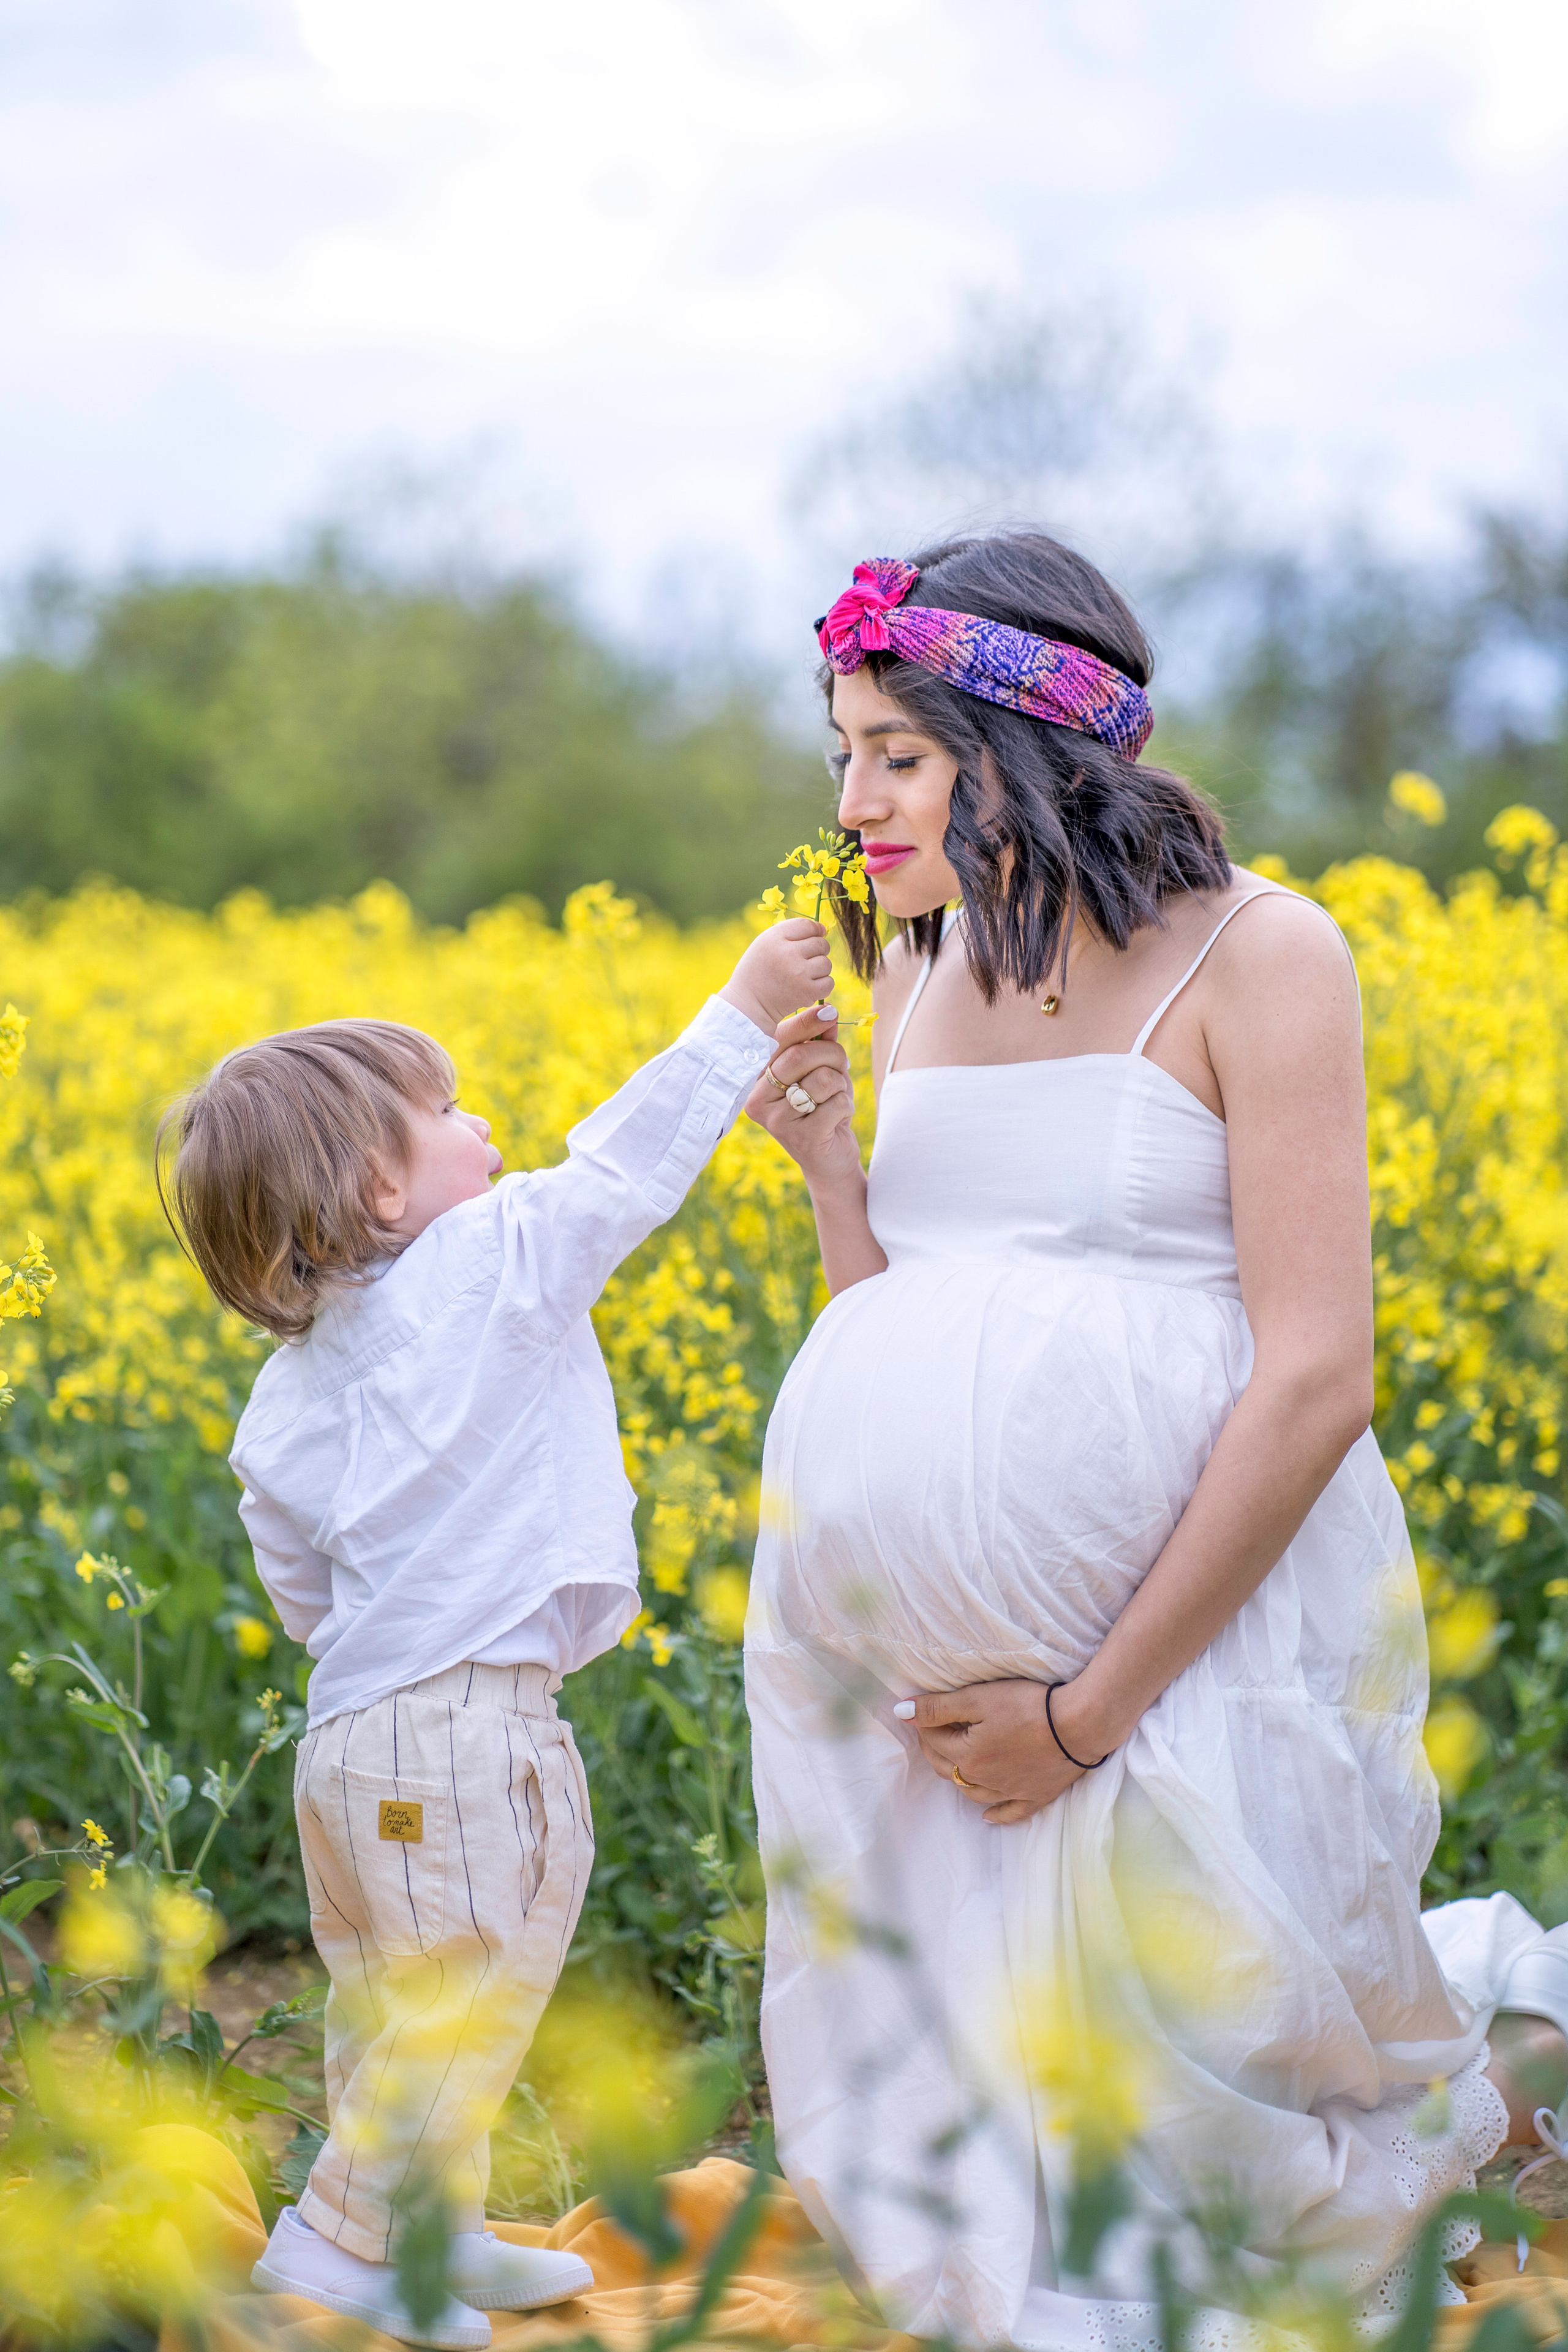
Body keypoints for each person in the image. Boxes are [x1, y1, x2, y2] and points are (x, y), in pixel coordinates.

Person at [742, 535, 1568, 2346]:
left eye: (895, 751)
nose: (854, 801)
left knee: (1237, 2207)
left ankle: (1522, 2085)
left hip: (1177, 1660)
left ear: (1027, 742)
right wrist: (829, 1175)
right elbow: (916, 1322)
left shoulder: (1268, 954)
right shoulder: (921, 962)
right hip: (947, 1719)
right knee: (1001, 2210)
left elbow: (1315, 1378)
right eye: (841, 753)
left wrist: (1083, 1716)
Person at [157, 916, 832, 2350]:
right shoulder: (490, 1261)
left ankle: (428, 2227)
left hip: (360, 1733)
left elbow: (294, 1576)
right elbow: (619, 1173)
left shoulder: (284, 1389)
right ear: (379, 1186)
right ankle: (342, 2258)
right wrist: (735, 1013)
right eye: (453, 1113)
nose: (488, 1128)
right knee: (459, 1999)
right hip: (459, 1726)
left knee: (397, 2005)